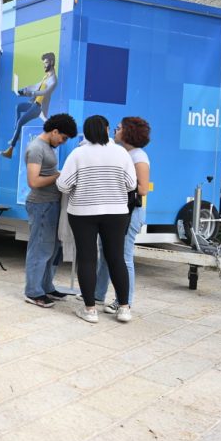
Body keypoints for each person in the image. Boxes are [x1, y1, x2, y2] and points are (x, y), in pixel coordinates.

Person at [57, 115, 137, 324]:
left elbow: (63, 185)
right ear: (107, 129)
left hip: (83, 213)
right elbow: (131, 184)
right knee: (116, 258)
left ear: (86, 132)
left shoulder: (78, 154)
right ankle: (124, 308)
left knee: (87, 258)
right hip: (116, 213)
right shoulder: (121, 153)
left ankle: (90, 310)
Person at [21, 114, 78, 308]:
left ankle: (46, 286)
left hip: (51, 204)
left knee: (53, 248)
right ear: (54, 131)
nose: (63, 142)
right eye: (63, 138)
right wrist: (58, 176)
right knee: (40, 248)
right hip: (41, 205)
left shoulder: (47, 148)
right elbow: (34, 182)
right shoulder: (36, 148)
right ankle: (33, 291)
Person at [95, 116, 151, 312]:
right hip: (119, 212)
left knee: (123, 257)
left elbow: (143, 189)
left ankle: (124, 300)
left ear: (128, 133)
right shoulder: (125, 153)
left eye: (118, 128)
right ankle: (97, 294)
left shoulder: (138, 156)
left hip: (131, 213)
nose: (114, 131)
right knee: (105, 253)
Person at [1, 52, 58, 159]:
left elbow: (45, 92)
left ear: (51, 62)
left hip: (38, 108)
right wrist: (23, 91)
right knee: (18, 107)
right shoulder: (46, 77)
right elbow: (35, 86)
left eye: (45, 63)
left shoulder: (53, 80)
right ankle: (16, 135)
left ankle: (10, 150)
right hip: (33, 104)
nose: (44, 65)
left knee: (20, 122)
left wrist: (32, 93)